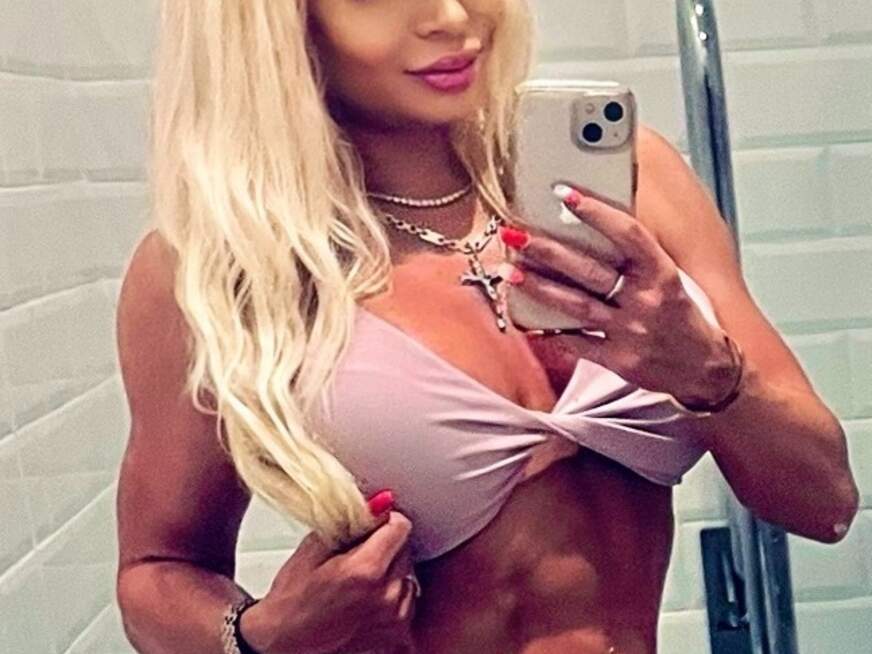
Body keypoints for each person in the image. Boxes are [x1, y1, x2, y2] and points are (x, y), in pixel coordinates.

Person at [114, 1, 860, 653]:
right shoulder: (219, 266)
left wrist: (708, 374)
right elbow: (154, 572)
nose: (452, 16)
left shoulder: (636, 184)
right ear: (280, 24)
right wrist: (262, 636)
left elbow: (824, 503)